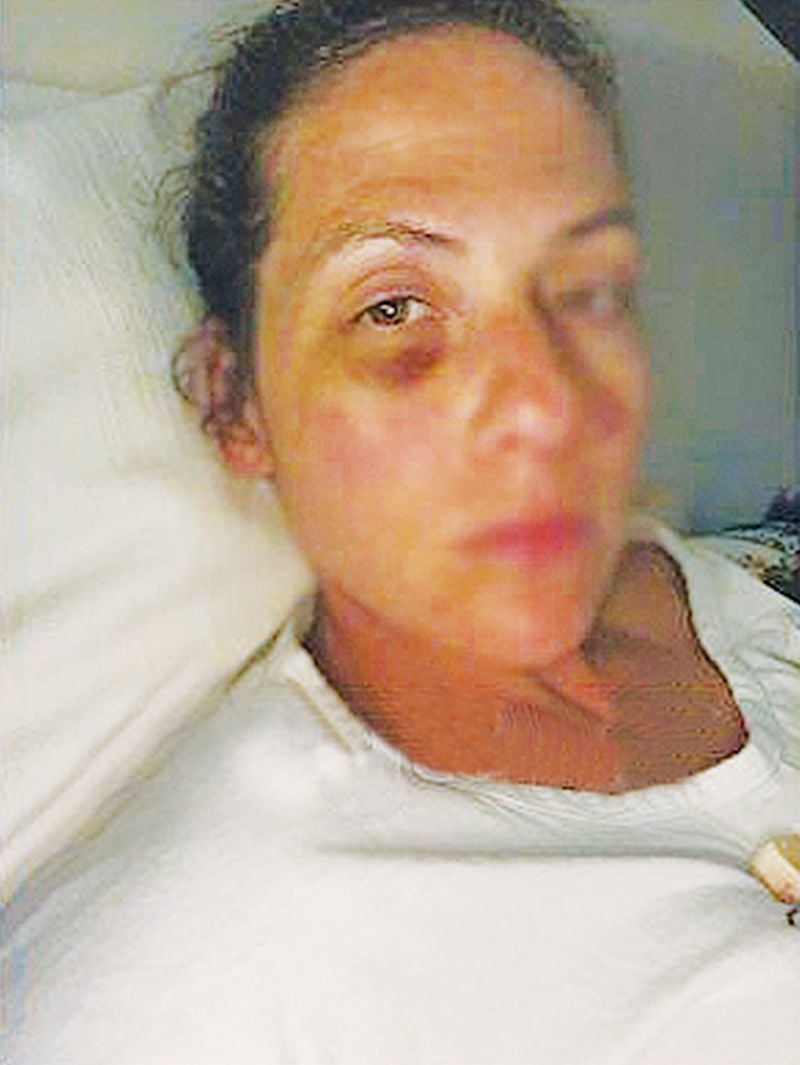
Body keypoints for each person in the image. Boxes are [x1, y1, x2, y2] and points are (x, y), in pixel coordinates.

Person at [6, 1, 799, 1062]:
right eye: (392, 307)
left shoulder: (722, 581)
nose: (544, 396)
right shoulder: (193, 988)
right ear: (237, 403)